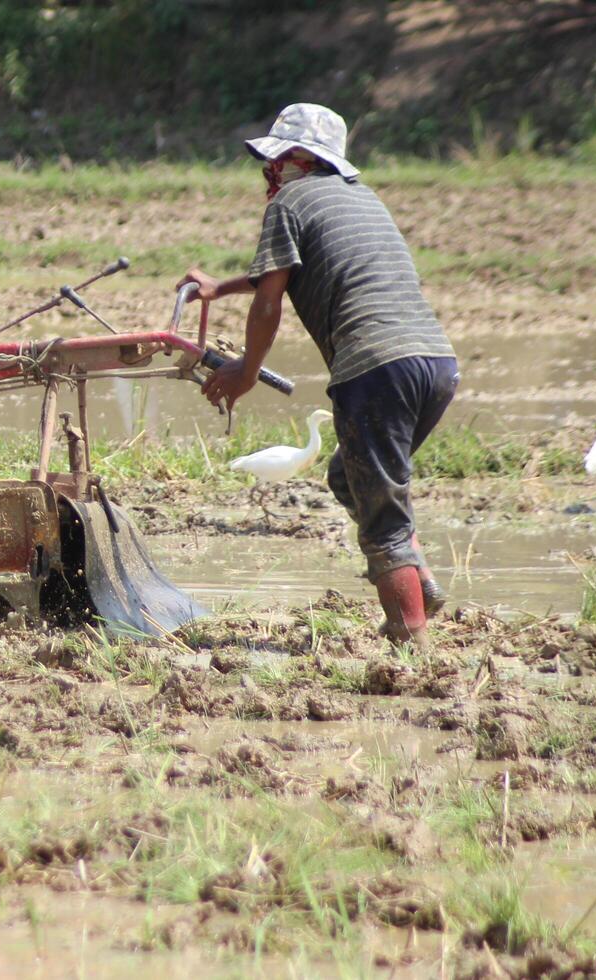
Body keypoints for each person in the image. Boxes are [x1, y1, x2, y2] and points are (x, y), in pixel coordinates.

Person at [177, 103, 459, 648]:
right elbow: (288, 270)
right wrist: (219, 287)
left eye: (277, 159)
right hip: (436, 365)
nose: (271, 171)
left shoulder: (290, 200)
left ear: (301, 158)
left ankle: (414, 647)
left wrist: (246, 370)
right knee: (348, 477)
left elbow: (270, 300)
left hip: (373, 368)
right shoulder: (361, 198)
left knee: (383, 519)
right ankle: (419, 579)